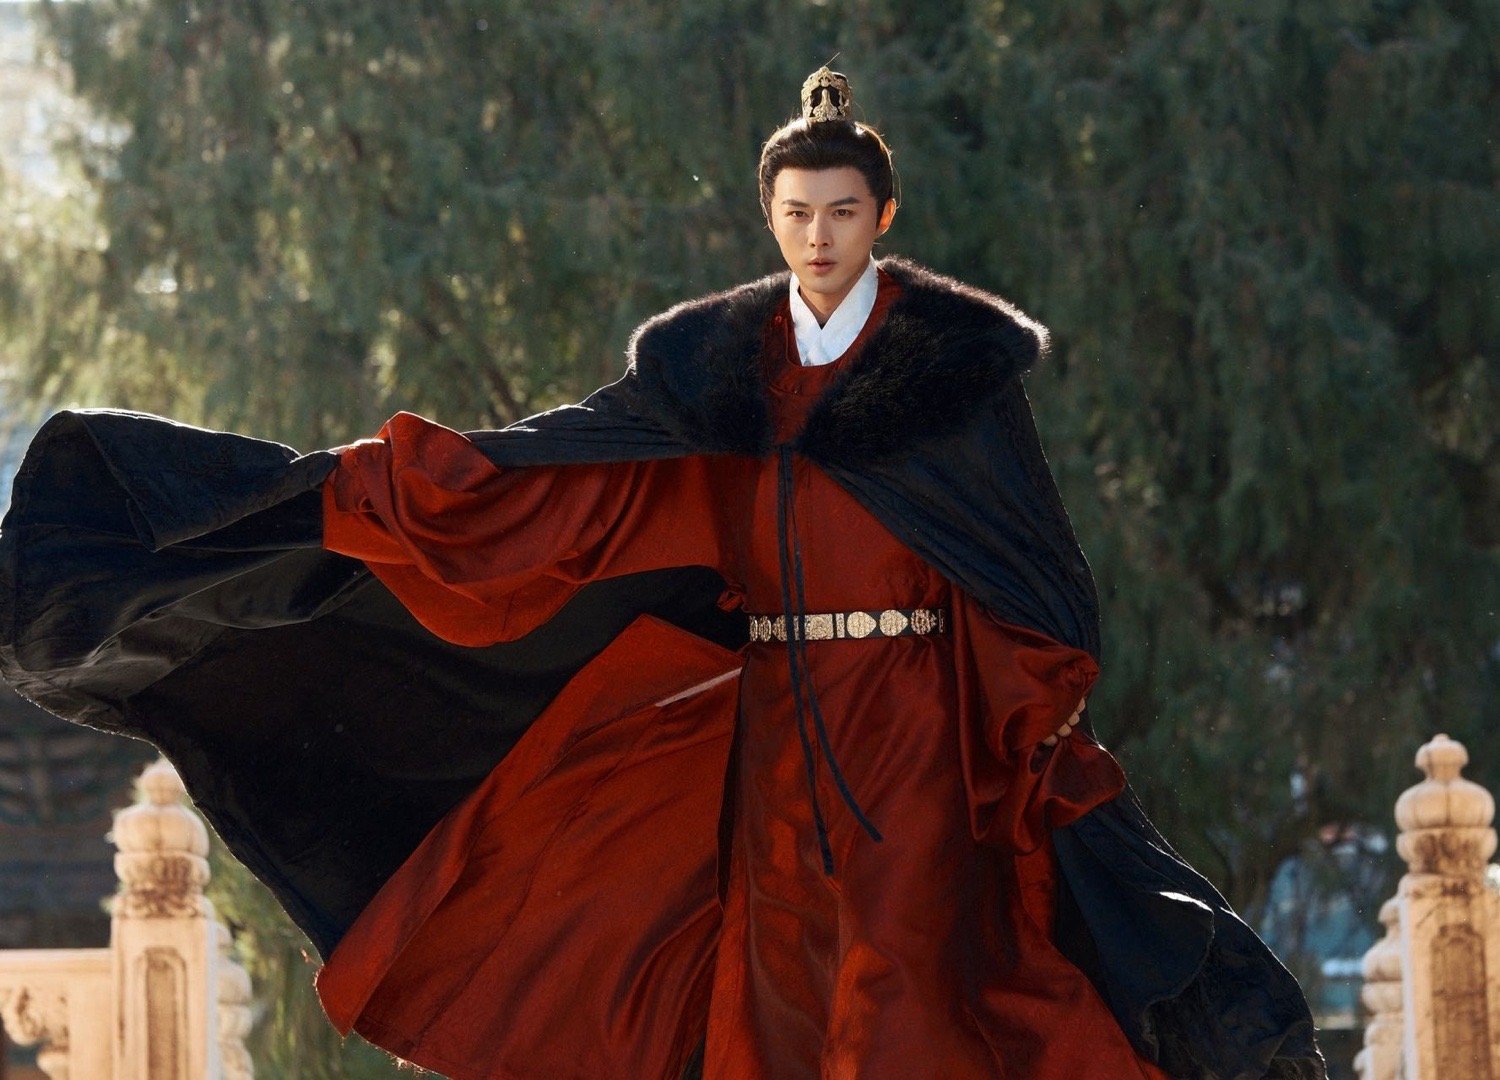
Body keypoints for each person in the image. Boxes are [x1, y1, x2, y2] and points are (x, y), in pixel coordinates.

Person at [0, 67, 1324, 1079]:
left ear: (883, 218)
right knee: (784, 995)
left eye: (843, 213)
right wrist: (351, 500)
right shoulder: (719, 382)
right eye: (796, 214)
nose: (818, 236)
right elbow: (564, 505)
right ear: (771, 218)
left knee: (917, 993)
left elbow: (1028, 580)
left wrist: (1019, 740)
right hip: (778, 749)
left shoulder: (956, 379)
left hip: (924, 744)